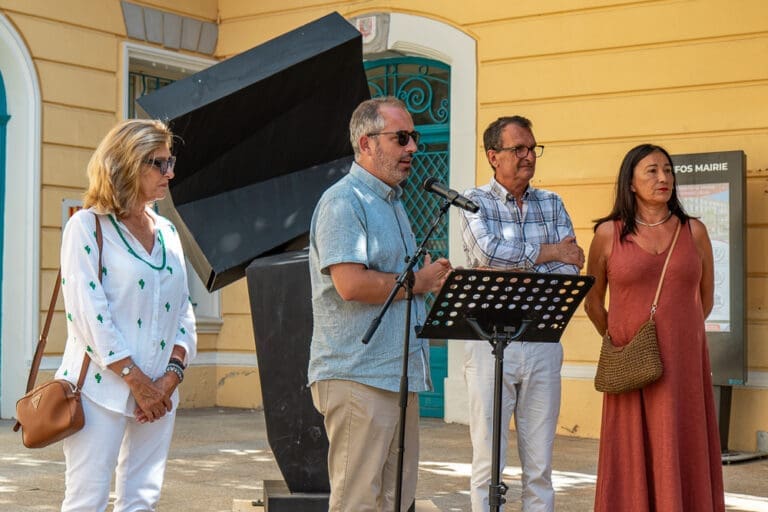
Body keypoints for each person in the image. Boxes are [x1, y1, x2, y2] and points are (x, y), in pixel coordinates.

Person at [308, 96, 452, 512]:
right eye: (401, 138)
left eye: (414, 137)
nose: (413, 148)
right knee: (357, 502)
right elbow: (350, 284)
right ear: (366, 143)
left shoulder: (393, 203)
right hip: (359, 374)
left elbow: (400, 281)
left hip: (398, 374)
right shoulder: (344, 201)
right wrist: (419, 282)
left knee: (396, 500)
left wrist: (431, 279)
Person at [56, 119, 197, 511]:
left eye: (171, 162)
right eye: (159, 163)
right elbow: (89, 315)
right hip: (99, 390)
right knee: (87, 501)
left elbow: (184, 310)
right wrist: (138, 383)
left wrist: (169, 378)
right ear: (127, 164)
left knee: (142, 500)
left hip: (161, 392)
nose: (170, 173)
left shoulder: (167, 231)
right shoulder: (87, 227)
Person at [584, 144, 724, 511]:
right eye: (652, 171)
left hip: (683, 366)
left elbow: (704, 299)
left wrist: (677, 336)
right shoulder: (607, 234)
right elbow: (593, 303)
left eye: (668, 170)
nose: (663, 178)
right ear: (630, 182)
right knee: (631, 449)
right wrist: (625, 343)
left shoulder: (694, 231)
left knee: (682, 441)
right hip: (632, 364)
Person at [458, 116, 585, 512]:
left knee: (540, 467)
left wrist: (509, 268)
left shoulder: (552, 203)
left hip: (541, 340)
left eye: (532, 148)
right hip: (488, 343)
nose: (529, 156)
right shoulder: (473, 201)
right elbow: (487, 251)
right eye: (519, 149)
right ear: (493, 156)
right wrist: (549, 253)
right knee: (487, 462)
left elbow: (570, 267)